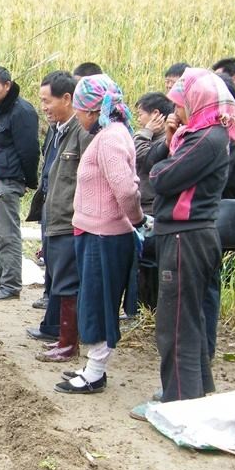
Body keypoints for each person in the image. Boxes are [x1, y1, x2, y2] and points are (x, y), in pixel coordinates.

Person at [145, 69, 235, 405]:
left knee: (175, 327)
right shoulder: (204, 135)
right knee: (190, 320)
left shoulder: (206, 139)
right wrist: (172, 142)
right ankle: (197, 395)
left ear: (198, 102)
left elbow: (162, 177)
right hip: (191, 235)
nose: (176, 113)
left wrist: (165, 160)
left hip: (186, 236)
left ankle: (179, 402)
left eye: (181, 105)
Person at [55, 74, 144, 394]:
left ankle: (95, 373)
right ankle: (93, 366)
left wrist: (135, 219)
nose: (77, 116)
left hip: (105, 235)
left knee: (99, 302)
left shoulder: (110, 139)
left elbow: (126, 188)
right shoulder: (111, 134)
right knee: (93, 300)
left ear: (93, 111)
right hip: (95, 232)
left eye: (79, 110)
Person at [34, 71, 93, 363]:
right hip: (54, 218)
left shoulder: (81, 132)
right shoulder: (57, 130)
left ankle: (69, 343)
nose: (44, 107)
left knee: (69, 284)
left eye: (48, 101)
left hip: (72, 220)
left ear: (67, 98)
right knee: (59, 281)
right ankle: (63, 338)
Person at [0, 66, 40, 301]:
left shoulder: (22, 111)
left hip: (9, 179)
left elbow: (30, 150)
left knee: (7, 233)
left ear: (7, 86)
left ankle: (11, 284)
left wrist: (29, 180)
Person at [132, 91, 174, 310]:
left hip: (152, 208)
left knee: (150, 262)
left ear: (156, 114)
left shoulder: (163, 139)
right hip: (146, 205)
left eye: (141, 115)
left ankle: (148, 308)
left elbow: (138, 155)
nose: (139, 120)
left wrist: (145, 132)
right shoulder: (156, 137)